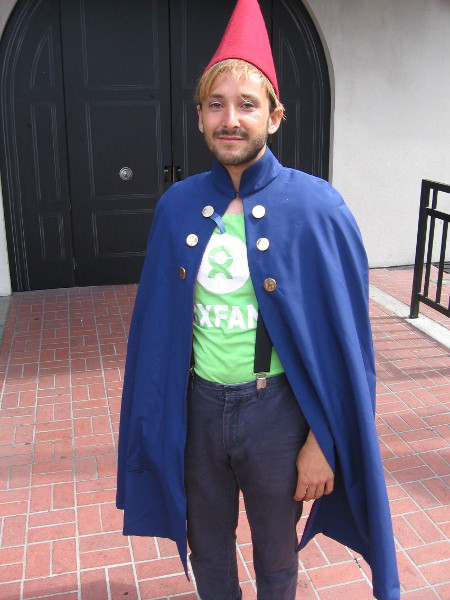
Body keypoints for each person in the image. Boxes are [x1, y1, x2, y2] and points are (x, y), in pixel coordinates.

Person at [116, 1, 400, 599]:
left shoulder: (318, 207)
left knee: (275, 553)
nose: (230, 119)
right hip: (197, 409)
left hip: (276, 415)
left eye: (247, 104)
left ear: (274, 117)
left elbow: (350, 346)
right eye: (216, 104)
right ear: (199, 117)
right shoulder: (176, 207)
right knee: (207, 550)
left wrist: (322, 442)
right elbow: (155, 333)